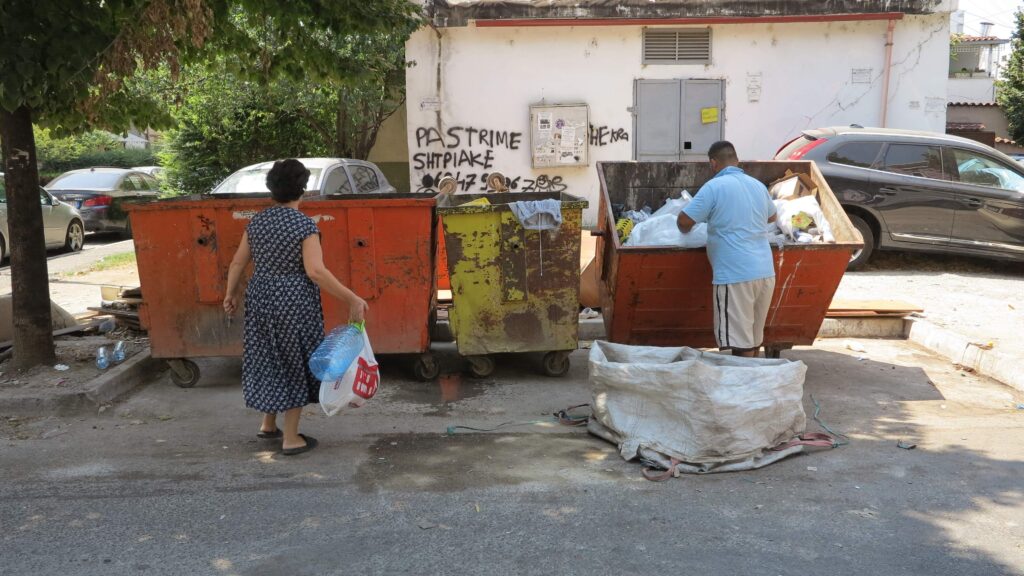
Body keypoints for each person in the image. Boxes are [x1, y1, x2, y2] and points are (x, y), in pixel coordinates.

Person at [223, 159, 368, 455]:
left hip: (261, 297)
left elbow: (238, 261)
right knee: (295, 360)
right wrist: (352, 298)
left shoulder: (257, 222)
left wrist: (230, 294)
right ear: (302, 189)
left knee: (269, 356)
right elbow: (315, 271)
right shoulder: (303, 226)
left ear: (271, 190)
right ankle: (291, 438)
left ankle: (268, 424)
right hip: (293, 301)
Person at [677, 141, 777, 358]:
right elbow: (772, 216)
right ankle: (751, 384)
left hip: (735, 275)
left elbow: (684, 221)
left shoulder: (714, 187)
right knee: (752, 339)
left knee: (740, 343)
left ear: (713, 163)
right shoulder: (757, 185)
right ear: (736, 159)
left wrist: (709, 218)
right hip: (765, 272)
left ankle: (740, 388)